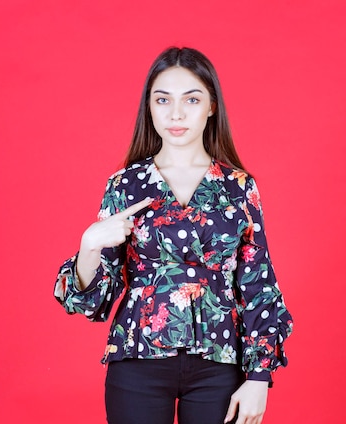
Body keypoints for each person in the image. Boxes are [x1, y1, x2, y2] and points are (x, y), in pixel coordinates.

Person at [53, 47, 293, 424]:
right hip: (137, 362)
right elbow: (90, 302)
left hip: (219, 366)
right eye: (163, 100)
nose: (176, 114)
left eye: (191, 99)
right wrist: (90, 243)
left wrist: (259, 377)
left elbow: (257, 282)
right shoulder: (126, 185)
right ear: (149, 106)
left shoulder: (238, 187)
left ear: (211, 106)